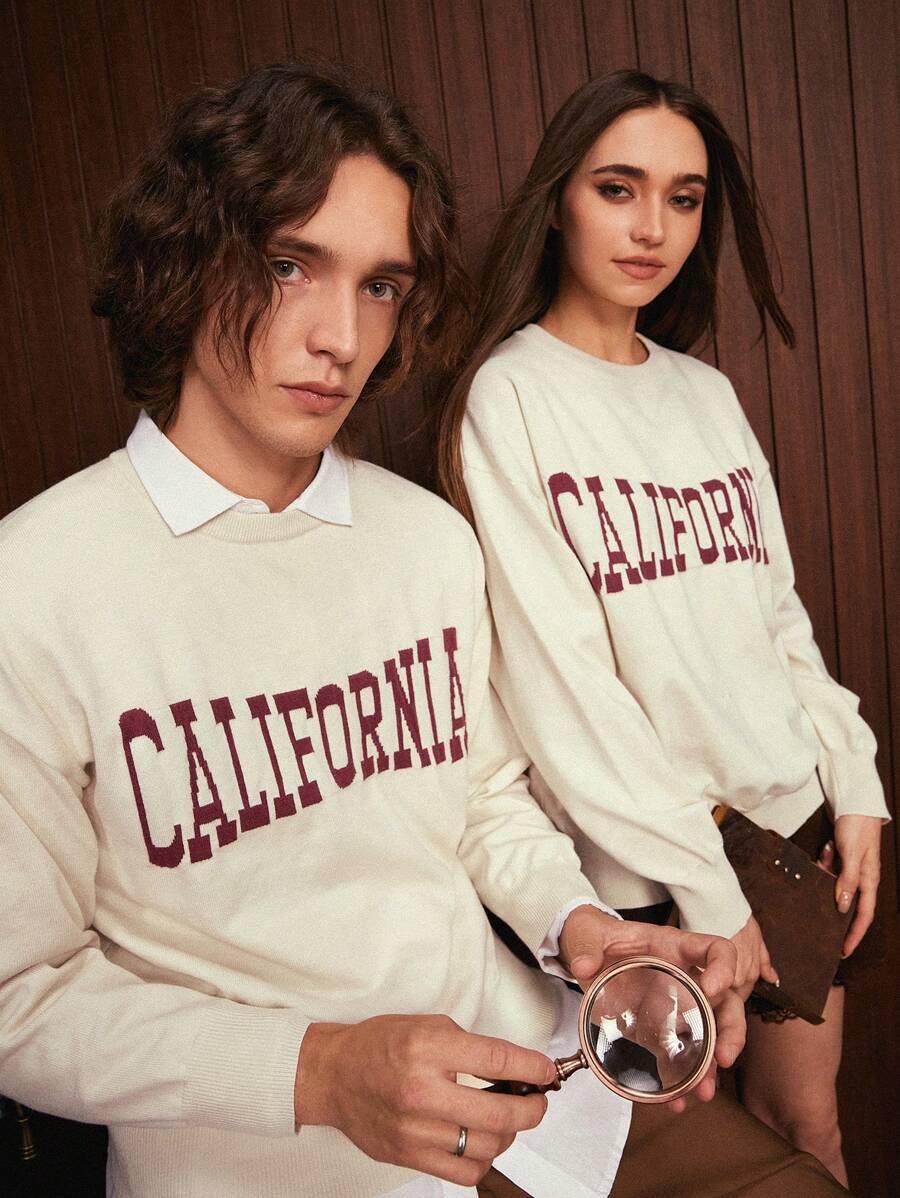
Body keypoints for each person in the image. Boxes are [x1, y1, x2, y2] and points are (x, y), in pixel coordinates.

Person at [0, 60, 758, 1198]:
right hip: (253, 1172)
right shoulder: (33, 585)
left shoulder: (428, 542)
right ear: (186, 257)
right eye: (288, 264)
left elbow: (479, 797)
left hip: (529, 1093)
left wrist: (579, 924)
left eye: (382, 285)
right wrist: (320, 1070)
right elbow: (19, 997)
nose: (341, 336)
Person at [438, 69, 889, 1188]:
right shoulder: (511, 397)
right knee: (686, 1169)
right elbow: (562, 689)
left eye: (684, 199)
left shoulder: (706, 395)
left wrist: (857, 780)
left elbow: (777, 616)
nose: (652, 228)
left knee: (810, 1134)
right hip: (645, 875)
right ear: (558, 201)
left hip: (789, 836)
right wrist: (710, 892)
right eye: (618, 188)